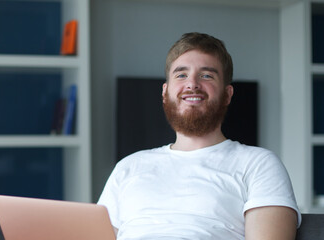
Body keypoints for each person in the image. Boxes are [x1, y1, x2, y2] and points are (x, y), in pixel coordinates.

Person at [98, 32, 301, 240]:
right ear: (165, 92)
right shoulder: (128, 167)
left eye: (206, 75)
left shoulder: (259, 164)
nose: (192, 84)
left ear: (227, 94)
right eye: (181, 75)